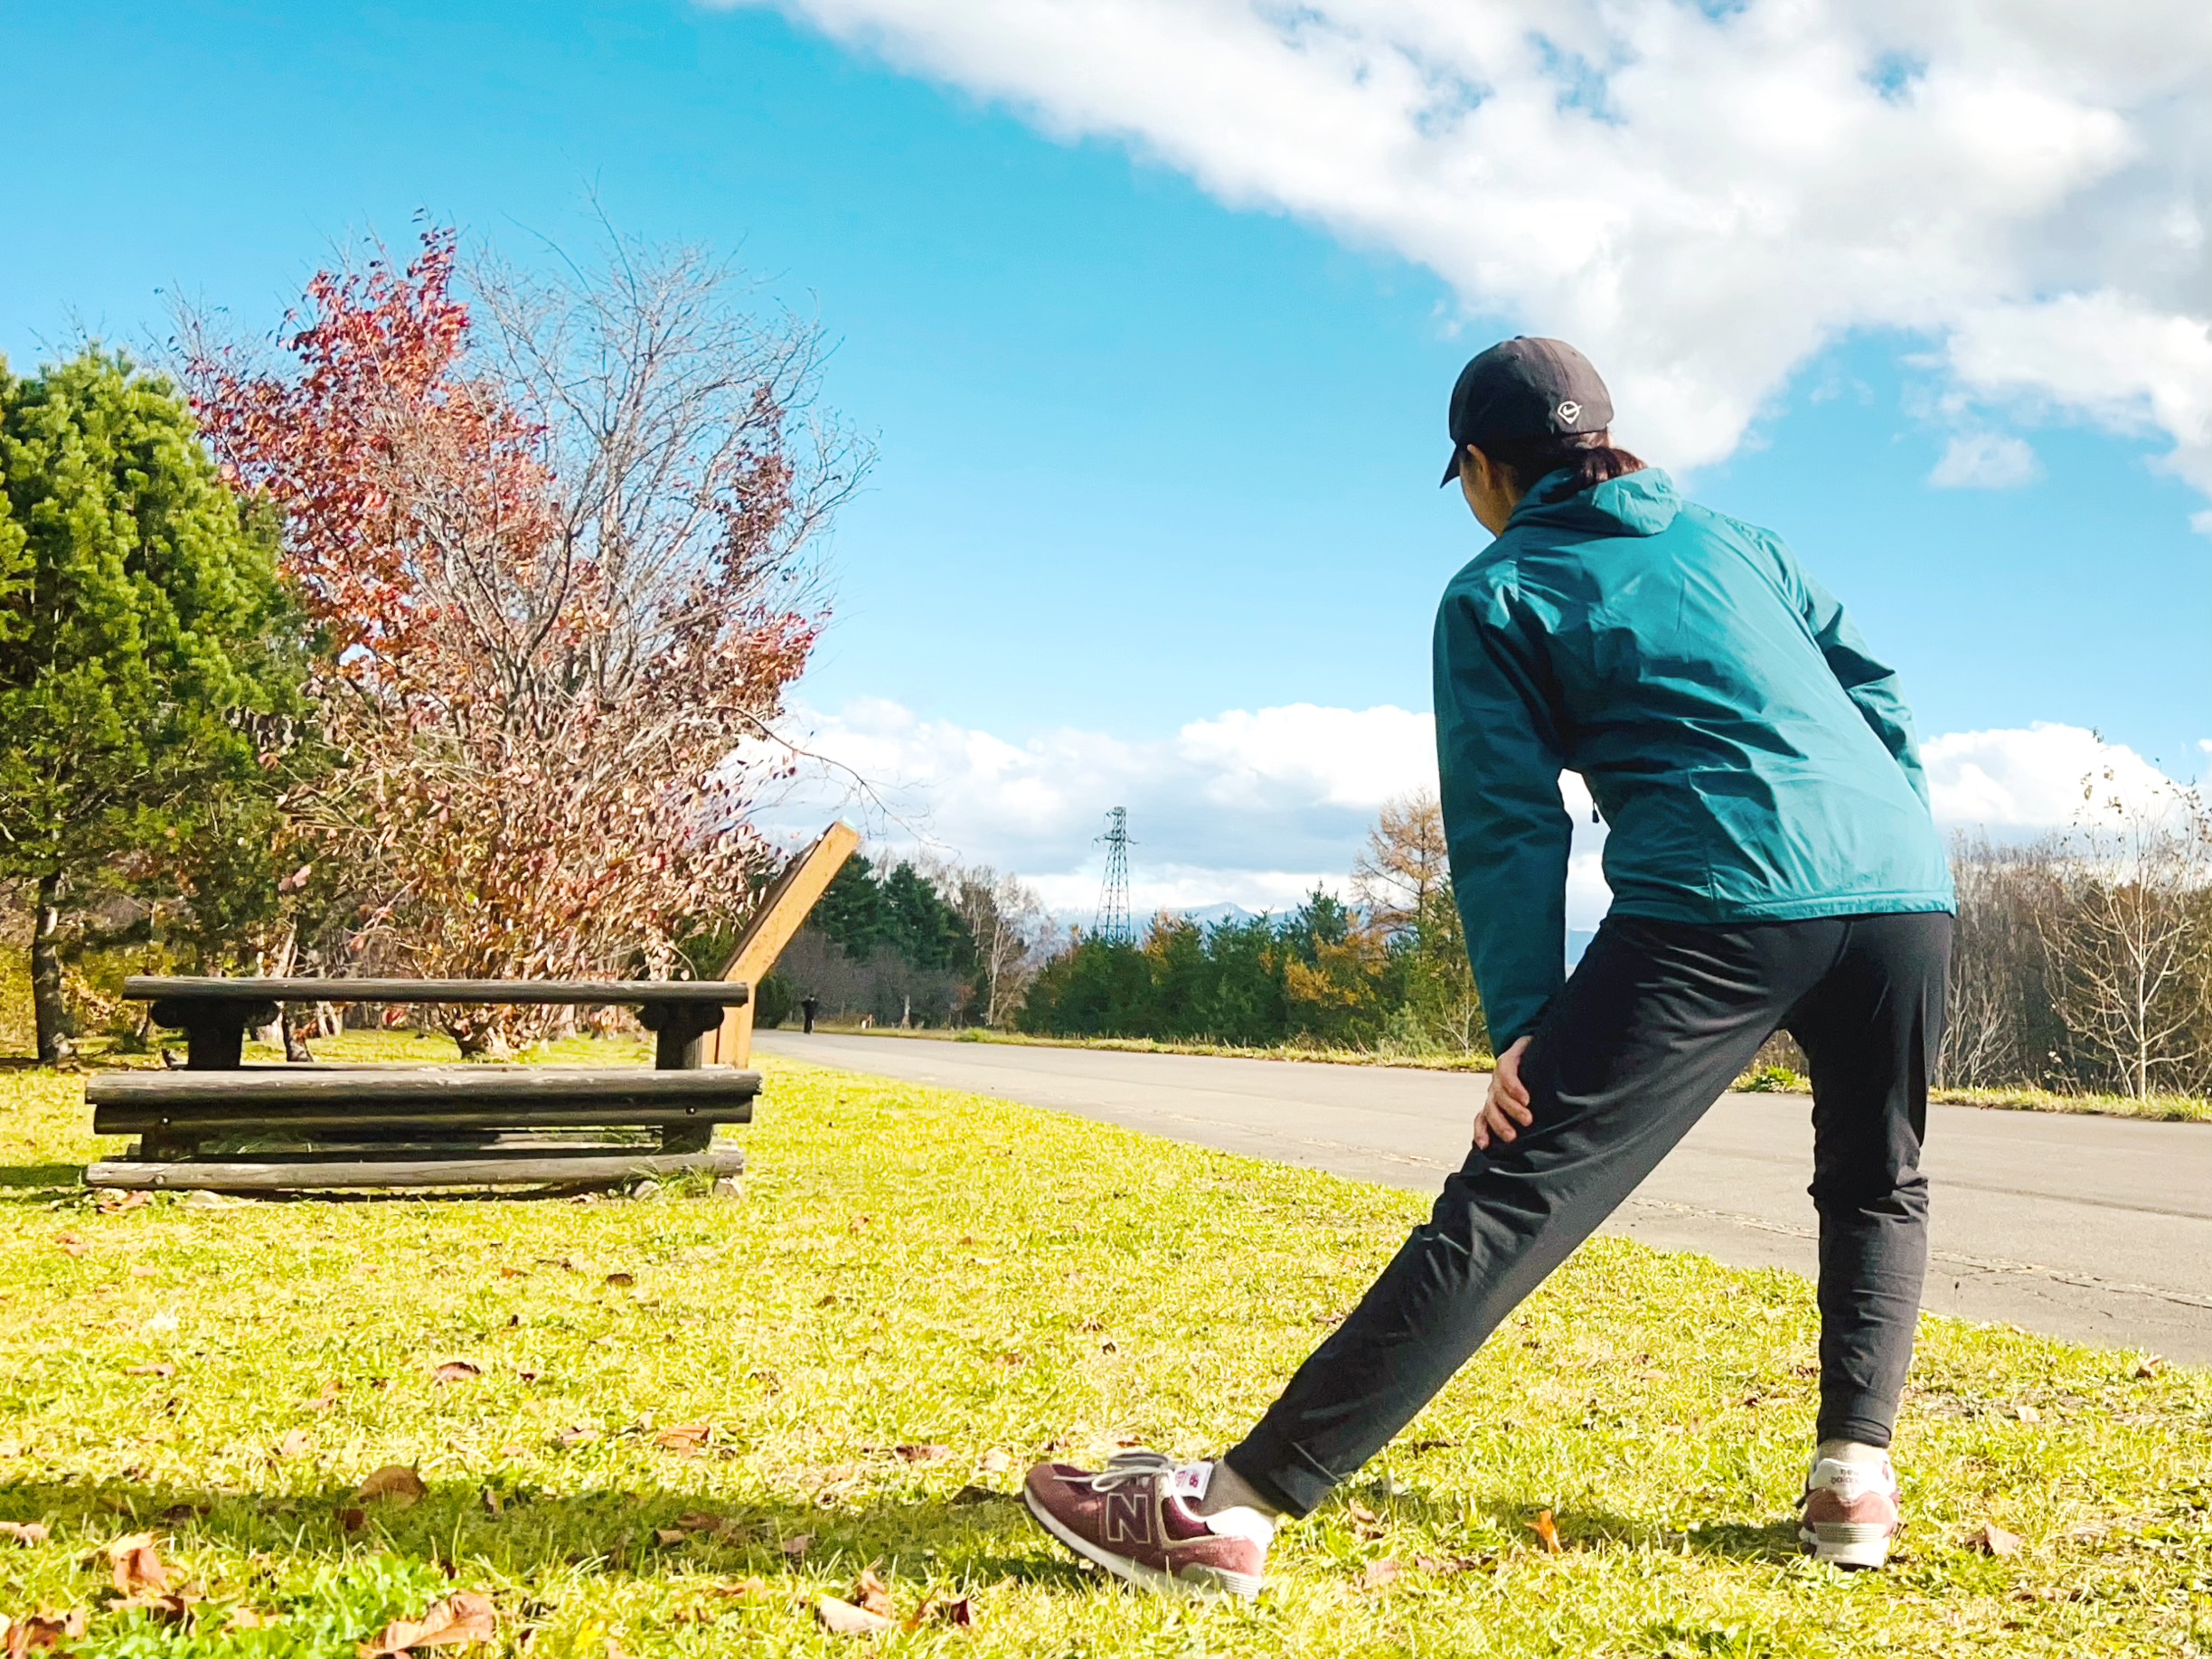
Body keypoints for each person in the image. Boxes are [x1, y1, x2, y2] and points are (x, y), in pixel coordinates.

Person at [1022, 338, 1953, 1598]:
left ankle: (1233, 1511)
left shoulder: (1496, 590)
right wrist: (1889, 828)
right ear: (1606, 442)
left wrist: (1524, 1020)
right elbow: (1874, 693)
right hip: (1905, 889)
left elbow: (1510, 823)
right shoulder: (1742, 542)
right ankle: (1855, 1479)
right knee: (1878, 1179)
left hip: (1720, 894)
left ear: (1480, 467)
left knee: (1518, 1191)